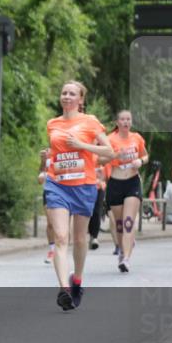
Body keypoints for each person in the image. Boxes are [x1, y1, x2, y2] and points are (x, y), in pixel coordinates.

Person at [43, 82, 114, 310]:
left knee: (80, 239)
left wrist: (82, 144)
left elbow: (109, 151)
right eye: (64, 92)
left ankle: (77, 280)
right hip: (57, 184)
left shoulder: (90, 122)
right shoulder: (52, 123)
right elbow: (56, 152)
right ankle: (64, 289)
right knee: (61, 237)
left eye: (72, 93)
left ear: (80, 100)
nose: (66, 96)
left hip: (83, 186)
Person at [106, 111, 148, 272]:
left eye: (128, 119)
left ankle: (126, 258)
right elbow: (100, 159)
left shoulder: (136, 138)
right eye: (122, 119)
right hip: (115, 183)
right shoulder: (110, 139)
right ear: (117, 122)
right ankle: (123, 249)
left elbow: (145, 156)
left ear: (131, 122)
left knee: (128, 222)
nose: (125, 122)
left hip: (132, 182)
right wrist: (115, 155)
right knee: (119, 224)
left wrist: (140, 161)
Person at [38, 149, 57, 263]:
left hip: (64, 191)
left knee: (60, 224)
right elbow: (40, 174)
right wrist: (43, 160)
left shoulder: (66, 151)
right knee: (50, 223)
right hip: (49, 191)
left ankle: (60, 249)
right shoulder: (49, 152)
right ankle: (52, 249)